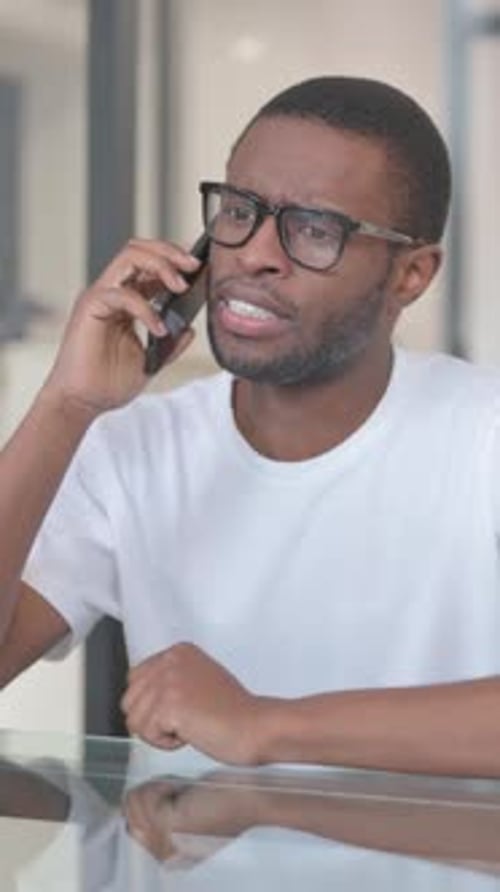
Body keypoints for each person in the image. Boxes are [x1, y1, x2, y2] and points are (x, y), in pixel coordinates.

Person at [1, 75, 500, 777]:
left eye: (316, 229)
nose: (254, 253)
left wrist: (266, 726)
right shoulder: (133, 449)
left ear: (410, 276)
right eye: (240, 209)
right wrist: (65, 404)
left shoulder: (484, 438)